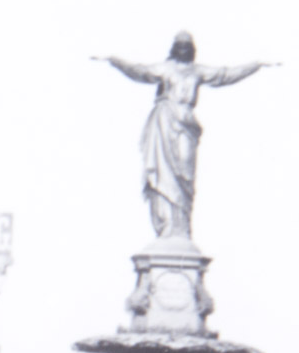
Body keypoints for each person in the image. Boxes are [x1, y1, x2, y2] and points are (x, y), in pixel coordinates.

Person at [95, 34, 274, 239]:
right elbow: (139, 71)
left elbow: (225, 75)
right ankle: (167, 225)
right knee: (164, 171)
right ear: (174, 48)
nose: (184, 49)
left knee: (186, 172)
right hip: (164, 120)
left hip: (186, 123)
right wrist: (115, 60)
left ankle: (181, 225)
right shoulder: (164, 68)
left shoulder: (197, 71)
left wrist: (255, 65)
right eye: (180, 46)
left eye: (188, 46)